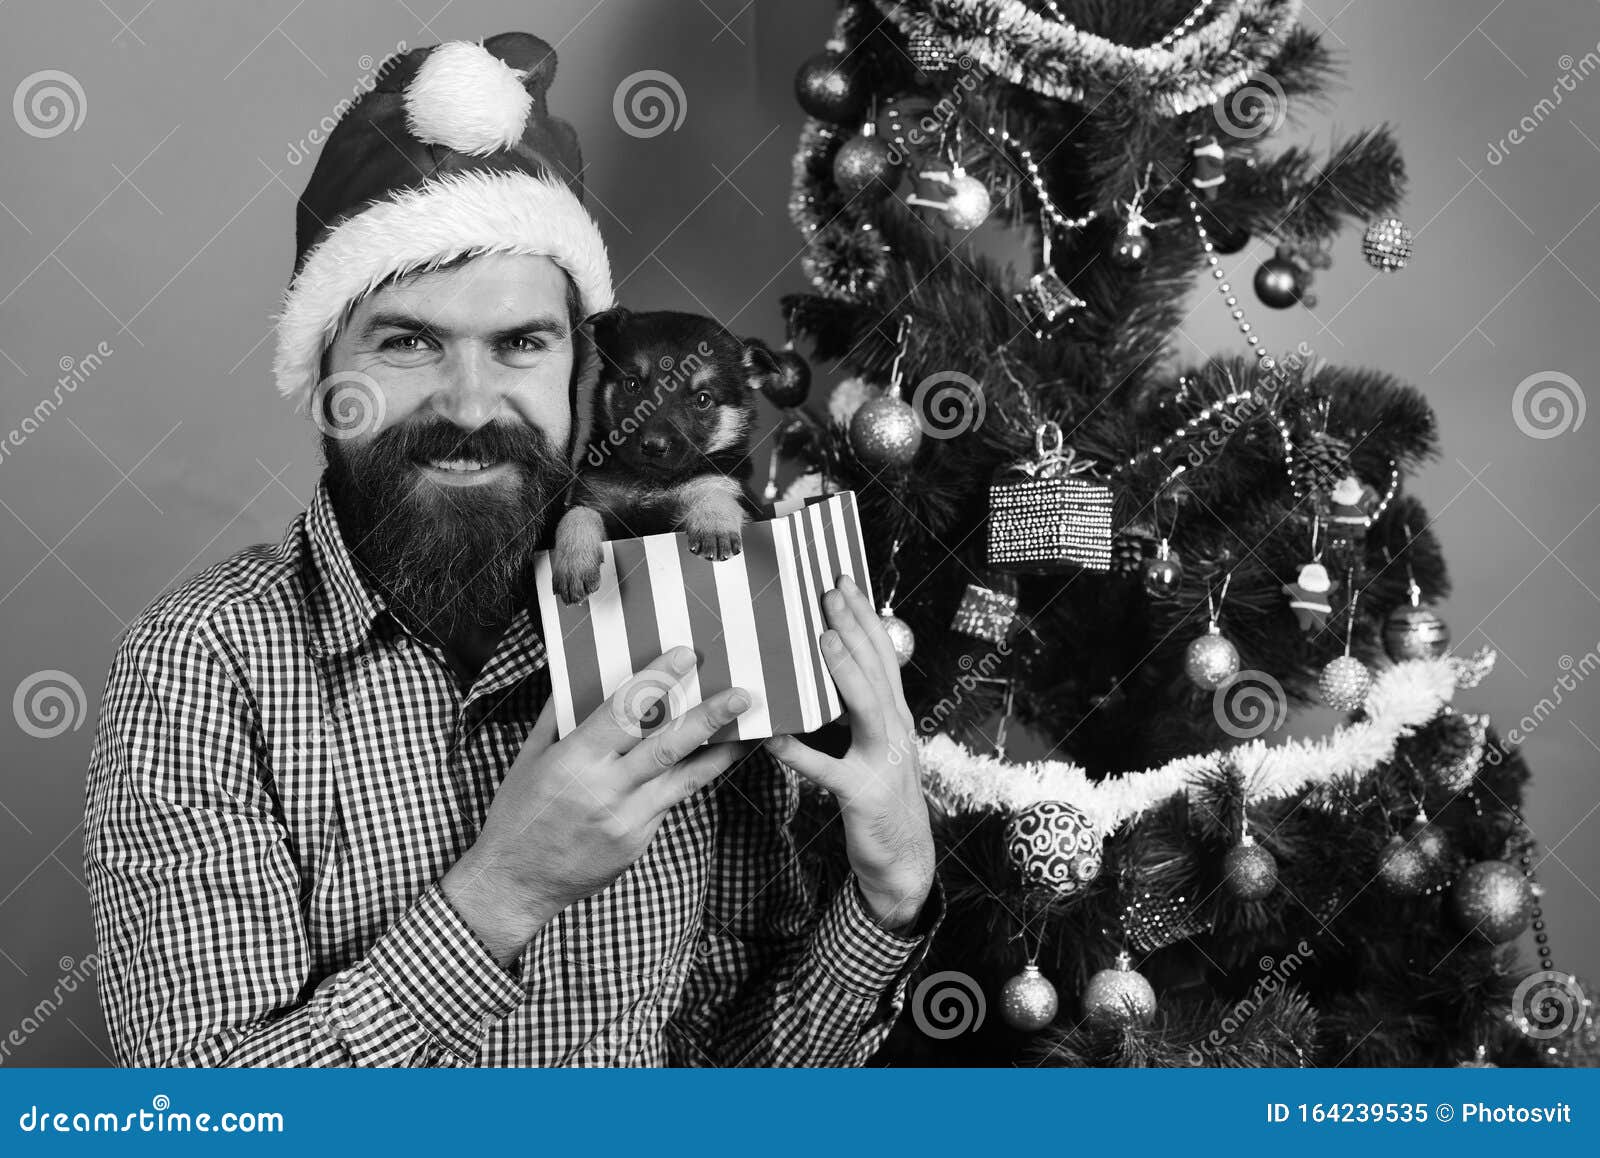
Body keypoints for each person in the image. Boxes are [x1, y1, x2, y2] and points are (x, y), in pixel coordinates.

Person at [82, 31, 938, 1068]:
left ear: (588, 373)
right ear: (323, 375)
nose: (471, 403)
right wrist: (506, 890)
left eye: (522, 344)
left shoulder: (695, 615)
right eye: (407, 341)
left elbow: (734, 1069)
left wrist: (888, 895)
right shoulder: (205, 664)